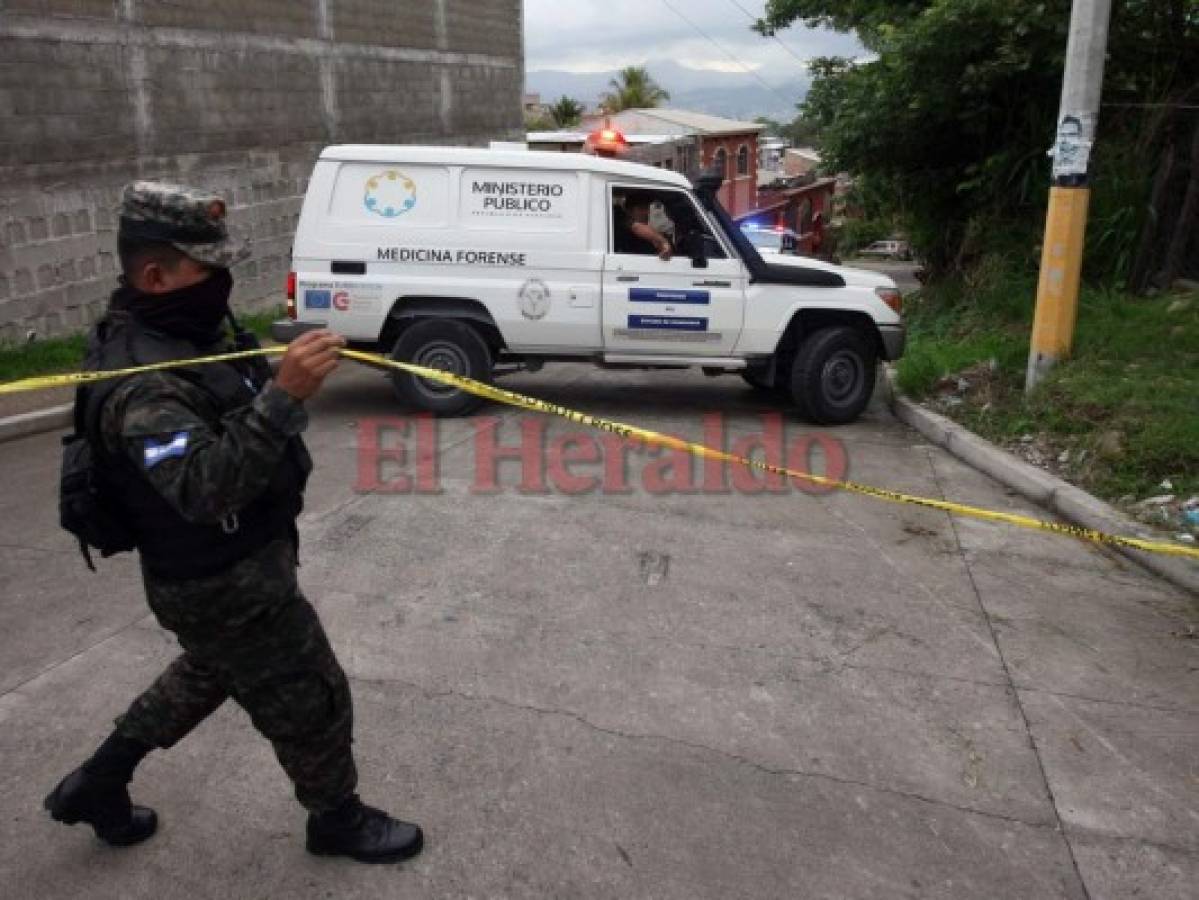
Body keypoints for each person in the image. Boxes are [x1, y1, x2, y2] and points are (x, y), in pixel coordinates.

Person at [43, 182, 424, 864]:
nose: (222, 281)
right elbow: (202, 489)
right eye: (207, 268)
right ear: (155, 275)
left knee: (207, 674)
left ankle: (99, 781)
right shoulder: (146, 383)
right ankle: (336, 819)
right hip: (221, 580)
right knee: (312, 697)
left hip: (237, 567)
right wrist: (285, 395)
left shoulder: (178, 332)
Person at [613, 192, 673, 260]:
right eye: (641, 208)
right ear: (629, 211)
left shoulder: (650, 236)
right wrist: (663, 242)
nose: (646, 213)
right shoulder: (622, 231)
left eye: (647, 208)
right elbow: (635, 226)